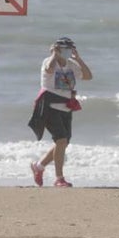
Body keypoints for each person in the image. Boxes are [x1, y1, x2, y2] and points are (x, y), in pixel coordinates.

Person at [29, 37, 92, 188]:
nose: (66, 52)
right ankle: (59, 178)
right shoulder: (49, 62)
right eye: (63, 49)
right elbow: (49, 70)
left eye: (69, 49)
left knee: (63, 142)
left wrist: (79, 59)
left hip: (66, 107)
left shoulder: (72, 65)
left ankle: (39, 166)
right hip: (50, 107)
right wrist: (54, 55)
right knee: (61, 140)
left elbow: (88, 76)